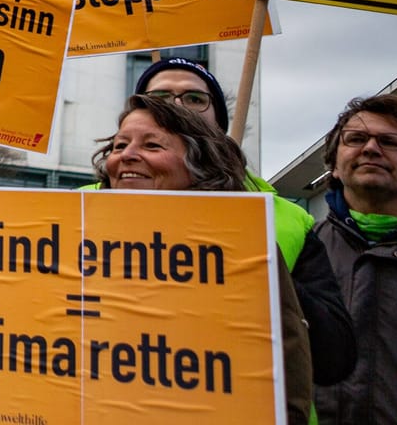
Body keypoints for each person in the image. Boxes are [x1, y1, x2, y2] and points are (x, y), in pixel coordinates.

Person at [130, 57, 355, 387]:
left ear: (219, 124)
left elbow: (333, 360)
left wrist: (256, 267)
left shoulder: (285, 218)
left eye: (194, 98)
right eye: (159, 99)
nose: (178, 108)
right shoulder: (86, 204)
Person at [93, 94, 315, 423]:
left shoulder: (243, 244)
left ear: (198, 163)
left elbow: (286, 378)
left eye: (152, 146)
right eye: (118, 145)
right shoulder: (85, 236)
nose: (126, 156)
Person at [313, 93, 397, 424]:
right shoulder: (302, 251)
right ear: (334, 165)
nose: (371, 149)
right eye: (357, 139)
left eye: (390, 141)